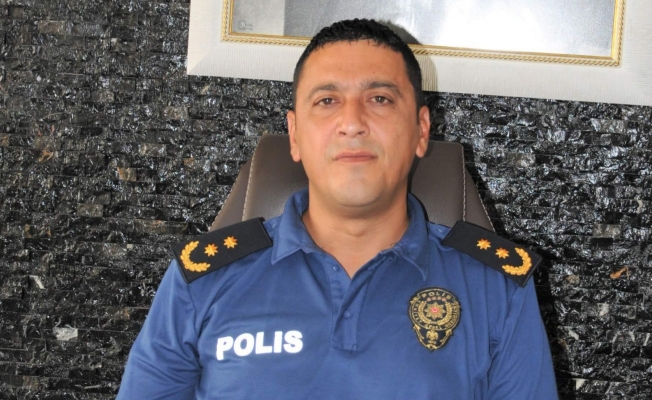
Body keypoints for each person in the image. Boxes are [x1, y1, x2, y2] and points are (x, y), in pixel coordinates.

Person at [117, 19, 558, 399]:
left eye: (380, 99)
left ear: (421, 130)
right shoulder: (202, 283)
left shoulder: (497, 291)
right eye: (327, 101)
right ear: (294, 135)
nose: (352, 123)